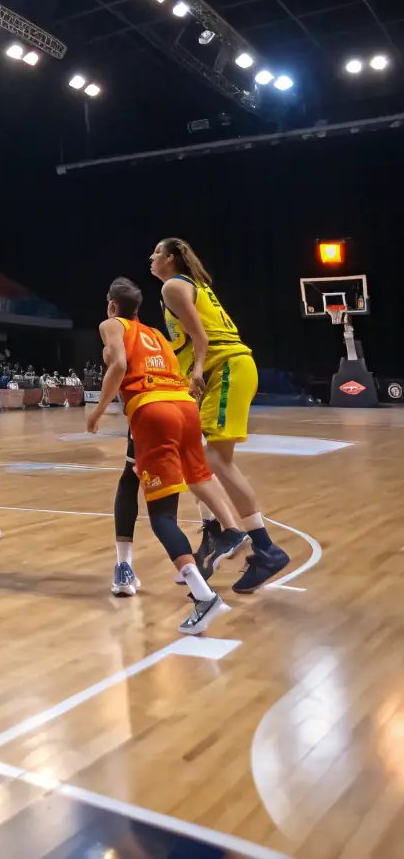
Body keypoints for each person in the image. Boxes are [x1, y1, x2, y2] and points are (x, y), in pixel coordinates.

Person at [86, 277, 251, 634]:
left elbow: (119, 365)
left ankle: (203, 596)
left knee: (162, 516)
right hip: (184, 408)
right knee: (184, 477)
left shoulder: (111, 325)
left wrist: (97, 410)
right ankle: (229, 530)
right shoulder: (157, 335)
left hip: (153, 412)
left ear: (112, 305)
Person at [151, 237, 289, 593]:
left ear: (170, 258)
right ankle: (214, 532)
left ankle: (265, 549)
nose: (151, 258)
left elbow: (201, 337)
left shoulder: (173, 286)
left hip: (225, 368)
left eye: (156, 252)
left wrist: (197, 371)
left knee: (215, 459)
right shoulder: (191, 286)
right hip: (223, 370)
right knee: (193, 457)